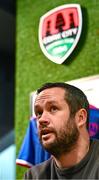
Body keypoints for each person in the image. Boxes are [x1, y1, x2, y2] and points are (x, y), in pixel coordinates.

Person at [24, 82, 99, 179]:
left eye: (53, 108)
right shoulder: (34, 176)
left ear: (80, 117)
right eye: (39, 113)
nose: (42, 119)